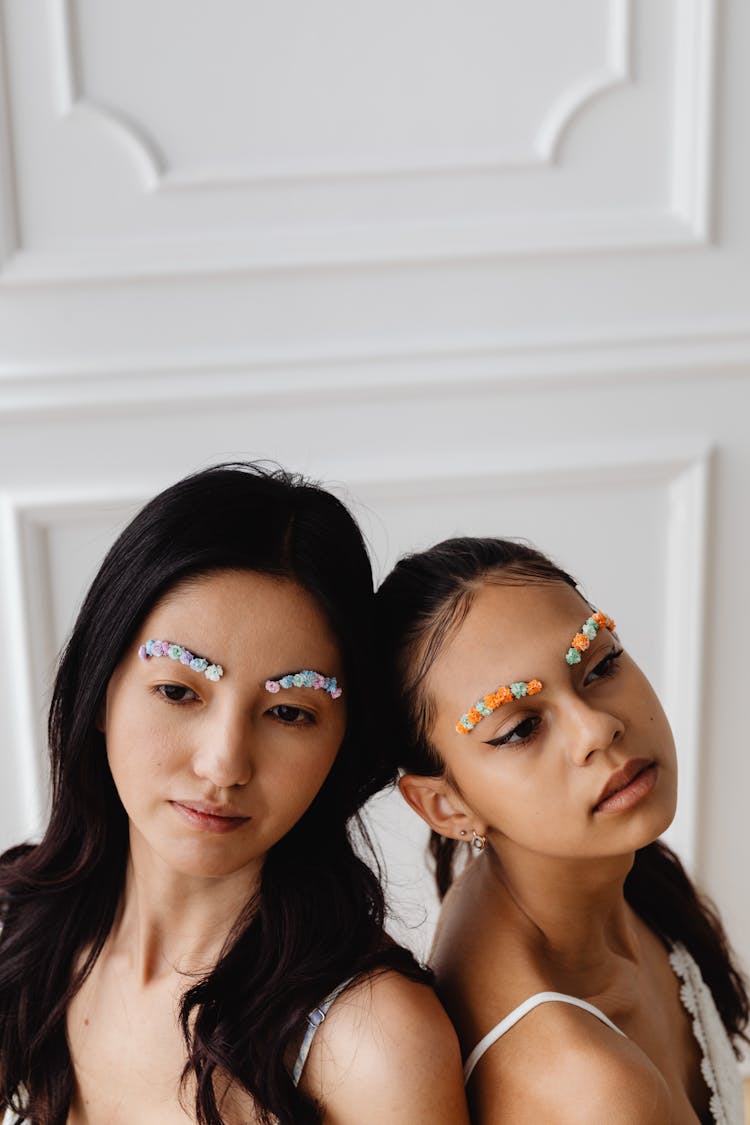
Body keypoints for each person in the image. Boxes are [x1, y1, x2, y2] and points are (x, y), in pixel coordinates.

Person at [0, 463, 469, 1125]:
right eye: (179, 690)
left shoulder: (372, 1044)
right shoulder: (19, 932)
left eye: (289, 712)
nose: (223, 764)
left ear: (341, 741)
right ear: (98, 689)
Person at [376, 536, 748, 1124]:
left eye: (599, 665)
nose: (597, 728)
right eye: (521, 728)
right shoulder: (592, 1092)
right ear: (446, 808)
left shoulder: (608, 877)